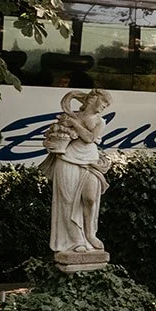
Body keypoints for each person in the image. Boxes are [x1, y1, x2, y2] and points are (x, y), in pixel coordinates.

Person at [43, 88, 113, 255]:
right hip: (67, 159)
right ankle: (76, 240)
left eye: (107, 105)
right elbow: (51, 134)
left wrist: (74, 123)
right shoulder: (69, 116)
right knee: (67, 200)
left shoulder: (99, 121)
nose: (105, 106)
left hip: (89, 161)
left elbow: (89, 138)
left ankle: (90, 234)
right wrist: (49, 142)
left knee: (90, 198)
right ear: (93, 99)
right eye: (104, 102)